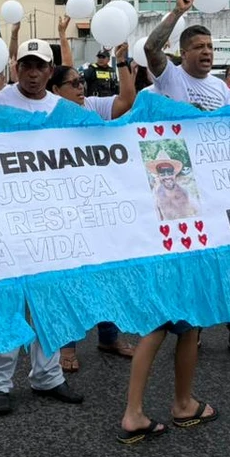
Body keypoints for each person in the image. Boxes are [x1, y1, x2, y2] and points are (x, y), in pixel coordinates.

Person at [144, 0, 230, 364]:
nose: (206, 52)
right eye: (198, 46)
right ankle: (190, 330)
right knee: (189, 261)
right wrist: (177, 11)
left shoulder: (219, 88)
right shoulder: (170, 79)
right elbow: (152, 49)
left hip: (221, 189)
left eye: (210, 46)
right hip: (182, 190)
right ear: (183, 52)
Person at [0, 38, 84, 414]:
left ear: (50, 71)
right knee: (6, 301)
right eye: (26, 65)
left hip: (50, 221)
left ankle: (48, 376)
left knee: (49, 301)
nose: (33, 73)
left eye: (40, 66)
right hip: (3, 220)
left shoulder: (63, 110)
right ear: (15, 67)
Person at [47, 54, 139, 369]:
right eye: (73, 84)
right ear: (55, 90)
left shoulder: (94, 108)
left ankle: (109, 336)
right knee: (70, 279)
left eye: (81, 82)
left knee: (107, 272)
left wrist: (123, 61)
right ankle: (67, 346)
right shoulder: (46, 116)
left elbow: (127, 100)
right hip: (64, 209)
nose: (80, 88)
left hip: (100, 207)